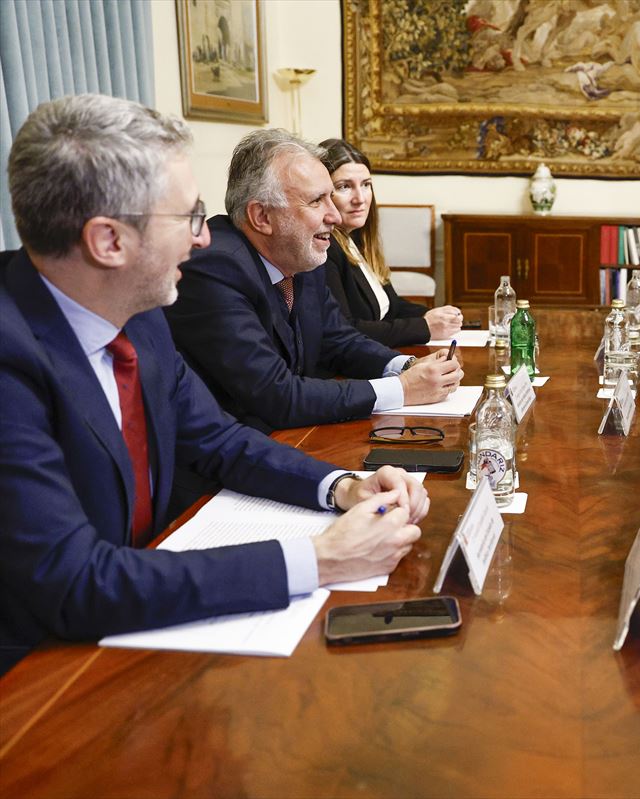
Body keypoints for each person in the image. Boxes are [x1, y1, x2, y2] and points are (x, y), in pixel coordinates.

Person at [0, 95, 429, 671]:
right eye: (188, 218)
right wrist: (317, 561)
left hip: (145, 614)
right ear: (109, 242)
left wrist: (343, 487)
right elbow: (74, 582)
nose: (204, 239)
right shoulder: (10, 355)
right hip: (39, 671)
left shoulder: (139, 312)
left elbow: (218, 439)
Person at [165, 129, 463, 434]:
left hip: (290, 437)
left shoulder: (301, 253)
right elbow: (276, 395)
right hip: (229, 459)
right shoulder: (214, 268)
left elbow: (337, 339)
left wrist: (407, 367)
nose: (334, 216)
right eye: (317, 201)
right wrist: (402, 390)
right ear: (262, 217)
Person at [318, 138, 463, 347]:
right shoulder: (325, 249)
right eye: (344, 187)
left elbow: (392, 306)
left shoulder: (357, 238)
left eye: (366, 185)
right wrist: (424, 326)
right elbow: (345, 331)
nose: (360, 198)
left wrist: (433, 315)